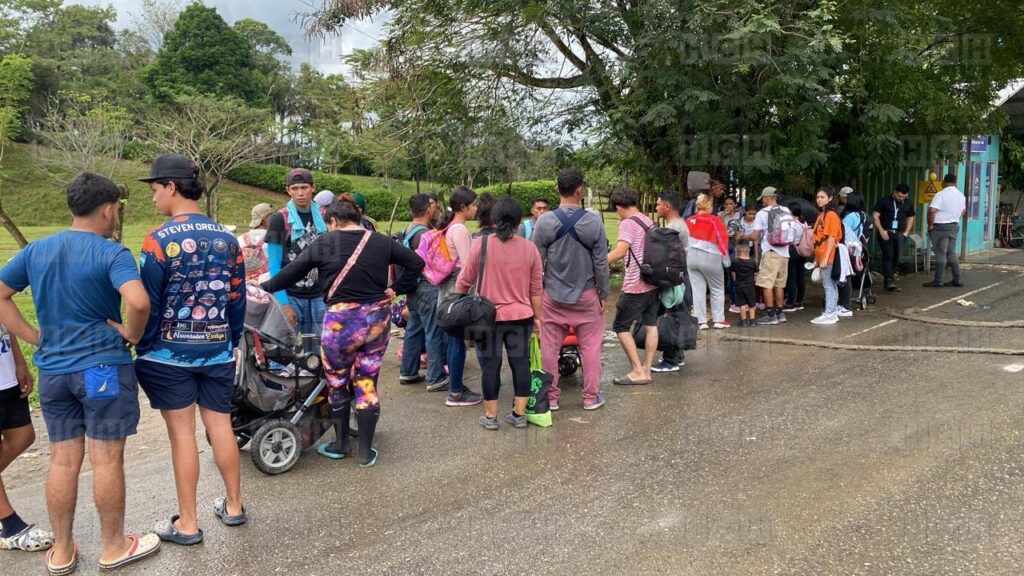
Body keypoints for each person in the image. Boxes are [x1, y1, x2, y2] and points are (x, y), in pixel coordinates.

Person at [0, 172, 160, 573]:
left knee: (62, 460)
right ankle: (112, 547)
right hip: (102, 368)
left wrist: (35, 337)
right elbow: (138, 302)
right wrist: (131, 333)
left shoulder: (37, 250)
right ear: (108, 209)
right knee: (105, 460)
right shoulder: (112, 253)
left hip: (54, 371)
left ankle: (62, 551)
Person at [134, 153, 249, 544]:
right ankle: (233, 506)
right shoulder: (228, 239)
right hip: (217, 349)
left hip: (169, 355)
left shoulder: (158, 239)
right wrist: (230, 340)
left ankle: (188, 523)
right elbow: (237, 299)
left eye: (154, 190)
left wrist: (145, 345)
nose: (153, 199)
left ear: (171, 187)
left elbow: (148, 300)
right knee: (221, 426)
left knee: (182, 436)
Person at [262, 200, 424, 466]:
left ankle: (340, 445)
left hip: (339, 324)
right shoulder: (381, 241)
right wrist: (396, 288)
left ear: (333, 221)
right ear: (357, 218)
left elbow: (288, 274)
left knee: (337, 382)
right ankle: (365, 451)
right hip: (376, 321)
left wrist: (263, 288)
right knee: (366, 382)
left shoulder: (325, 242)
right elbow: (416, 263)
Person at [455, 198, 542, 429]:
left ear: (494, 219)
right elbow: (536, 289)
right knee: (521, 363)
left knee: (490, 366)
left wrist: (456, 301)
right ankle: (519, 414)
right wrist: (538, 317)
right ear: (518, 221)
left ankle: (491, 417)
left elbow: (464, 281)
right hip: (521, 316)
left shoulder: (481, 245)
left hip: (487, 318)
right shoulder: (529, 248)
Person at [533, 168, 610, 410]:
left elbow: (537, 263)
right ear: (580, 190)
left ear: (558, 189)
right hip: (586, 294)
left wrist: (537, 295)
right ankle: (590, 397)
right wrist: (603, 293)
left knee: (549, 347)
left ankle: (551, 398)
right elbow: (601, 263)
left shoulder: (544, 221)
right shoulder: (593, 221)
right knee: (590, 347)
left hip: (552, 296)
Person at [0, 325, 53, 553]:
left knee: (23, 435)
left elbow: (4, 319)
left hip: (5, 373)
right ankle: (10, 527)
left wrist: (19, 362)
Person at [265, 168, 328, 334]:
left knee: (319, 349)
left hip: (319, 296)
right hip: (290, 295)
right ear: (288, 190)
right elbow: (273, 264)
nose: (300, 193)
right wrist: (284, 304)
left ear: (313, 188)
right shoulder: (279, 219)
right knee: (286, 352)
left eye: (304, 187)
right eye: (295, 189)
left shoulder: (324, 217)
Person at [607, 186, 659, 386]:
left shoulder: (628, 223)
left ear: (619, 207)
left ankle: (638, 371)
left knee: (620, 326)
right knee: (651, 324)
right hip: (652, 283)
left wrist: (596, 264)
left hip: (635, 284)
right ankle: (646, 369)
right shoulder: (647, 220)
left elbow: (620, 251)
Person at [437, 186, 484, 407]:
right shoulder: (460, 231)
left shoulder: (449, 227)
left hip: (447, 291)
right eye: (473, 205)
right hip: (458, 293)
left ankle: (455, 386)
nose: (475, 209)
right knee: (458, 341)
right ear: (463, 207)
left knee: (453, 340)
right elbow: (468, 267)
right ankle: (455, 392)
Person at [397, 194, 448, 392]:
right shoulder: (426, 234)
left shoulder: (407, 231)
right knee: (434, 331)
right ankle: (436, 377)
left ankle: (408, 371)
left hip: (412, 288)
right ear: (428, 209)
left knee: (414, 329)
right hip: (427, 286)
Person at [652, 188, 691, 372]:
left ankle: (671, 360)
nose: (657, 207)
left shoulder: (673, 228)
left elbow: (666, 256)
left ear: (667, 206)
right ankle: (678, 355)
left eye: (658, 204)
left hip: (676, 279)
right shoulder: (677, 224)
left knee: (672, 317)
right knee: (677, 315)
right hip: (681, 277)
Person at [685, 194, 731, 330]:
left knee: (697, 290)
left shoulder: (689, 220)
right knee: (717, 288)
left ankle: (701, 321)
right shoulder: (714, 220)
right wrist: (726, 261)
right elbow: (722, 240)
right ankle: (718, 320)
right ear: (709, 206)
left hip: (692, 257)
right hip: (711, 256)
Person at [751, 187, 791, 326]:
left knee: (766, 284)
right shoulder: (786, 210)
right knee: (779, 284)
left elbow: (755, 236)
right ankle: (780, 313)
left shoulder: (762, 213)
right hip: (785, 253)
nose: (762, 201)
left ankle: (770, 314)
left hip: (771, 252)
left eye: (763, 198)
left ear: (767, 198)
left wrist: (741, 236)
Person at [924, 174, 966, 288]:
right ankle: (957, 279)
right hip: (954, 226)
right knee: (951, 253)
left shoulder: (940, 194)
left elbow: (932, 210)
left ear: (944, 182)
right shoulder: (961, 195)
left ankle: (938, 280)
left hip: (940, 227)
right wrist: (954, 218)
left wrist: (930, 225)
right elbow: (963, 211)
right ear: (955, 182)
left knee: (940, 254)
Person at [871, 183, 915, 292]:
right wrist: (881, 230)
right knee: (888, 255)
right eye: (899, 196)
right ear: (894, 192)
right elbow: (875, 215)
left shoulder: (908, 203)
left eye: (904, 197)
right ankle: (888, 281)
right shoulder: (884, 201)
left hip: (899, 233)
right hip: (886, 232)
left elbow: (911, 216)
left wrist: (906, 232)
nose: (901, 199)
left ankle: (890, 276)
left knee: (896, 256)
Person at [811, 186, 843, 324]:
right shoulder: (821, 215)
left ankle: (830, 313)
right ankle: (831, 312)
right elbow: (819, 239)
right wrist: (816, 258)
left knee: (828, 285)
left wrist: (824, 258)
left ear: (830, 198)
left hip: (828, 255)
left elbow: (831, 237)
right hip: (822, 254)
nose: (819, 199)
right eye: (818, 197)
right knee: (830, 285)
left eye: (822, 197)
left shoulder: (831, 215)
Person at [838, 191, 868, 316]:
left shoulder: (850, 216)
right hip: (854, 248)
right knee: (846, 276)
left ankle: (845, 305)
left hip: (846, 248)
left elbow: (842, 231)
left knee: (844, 277)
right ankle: (844, 305)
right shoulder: (861, 214)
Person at [238, 203, 274, 283]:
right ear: (265, 219)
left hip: (244, 287)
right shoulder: (273, 240)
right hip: (267, 289)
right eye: (272, 217)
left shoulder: (240, 239)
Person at [782, 205, 809, 312]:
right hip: (802, 251)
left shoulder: (793, 224)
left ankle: (790, 303)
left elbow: (790, 238)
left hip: (793, 250)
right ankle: (799, 301)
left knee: (791, 277)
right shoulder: (804, 223)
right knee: (800, 276)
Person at [719, 195, 742, 313]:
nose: (728, 206)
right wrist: (723, 215)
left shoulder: (740, 216)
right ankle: (733, 301)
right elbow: (717, 226)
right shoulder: (720, 215)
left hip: (737, 247)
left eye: (731, 204)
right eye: (726, 204)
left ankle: (740, 301)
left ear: (735, 205)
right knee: (729, 275)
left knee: (738, 275)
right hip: (725, 248)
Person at [731, 239, 758, 327]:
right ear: (748, 250)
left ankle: (743, 321)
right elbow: (756, 273)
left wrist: (736, 281)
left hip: (739, 285)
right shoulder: (752, 261)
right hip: (750, 285)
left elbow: (733, 274)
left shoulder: (734, 262)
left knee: (742, 304)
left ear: (737, 250)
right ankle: (752, 320)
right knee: (751, 303)